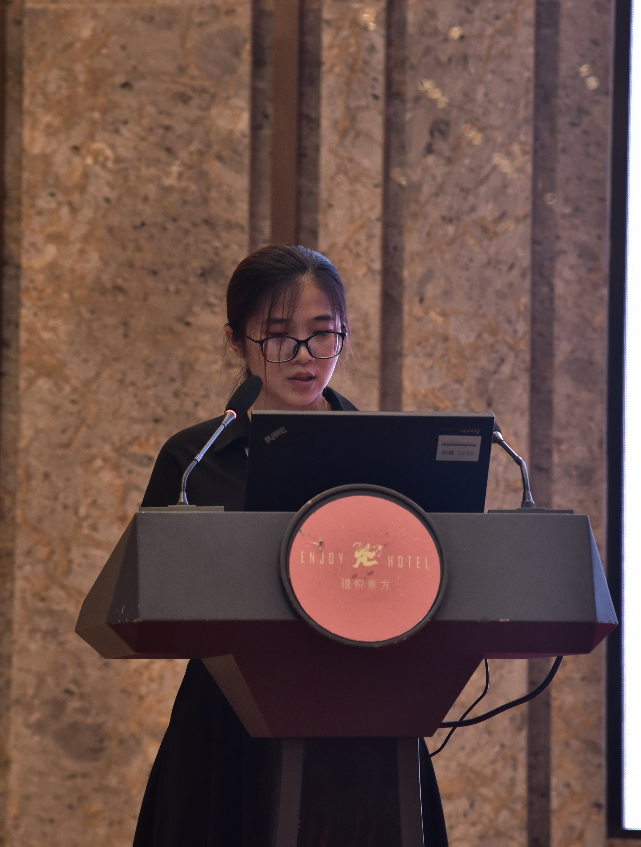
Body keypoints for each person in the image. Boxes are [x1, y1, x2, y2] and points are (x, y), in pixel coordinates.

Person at [132, 245, 449, 846]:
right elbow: (152, 595)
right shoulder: (194, 458)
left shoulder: (389, 455)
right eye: (278, 336)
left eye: (322, 334)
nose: (304, 356)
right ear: (236, 341)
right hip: (229, 722)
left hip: (365, 715)